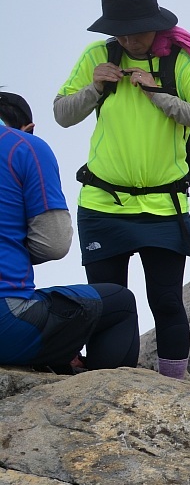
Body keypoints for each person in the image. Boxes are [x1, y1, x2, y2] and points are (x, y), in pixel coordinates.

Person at [55, 0, 190, 382]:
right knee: (107, 302)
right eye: (122, 31)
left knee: (165, 301)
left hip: (164, 207)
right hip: (102, 204)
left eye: (139, 30)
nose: (130, 39)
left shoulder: (183, 60)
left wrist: (158, 93)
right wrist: (96, 86)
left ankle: (174, 386)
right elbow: (62, 114)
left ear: (156, 24)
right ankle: (106, 384)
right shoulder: (98, 55)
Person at [1, 90, 139, 373]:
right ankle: (106, 402)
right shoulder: (24, 146)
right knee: (121, 304)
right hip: (7, 319)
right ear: (29, 129)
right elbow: (53, 243)